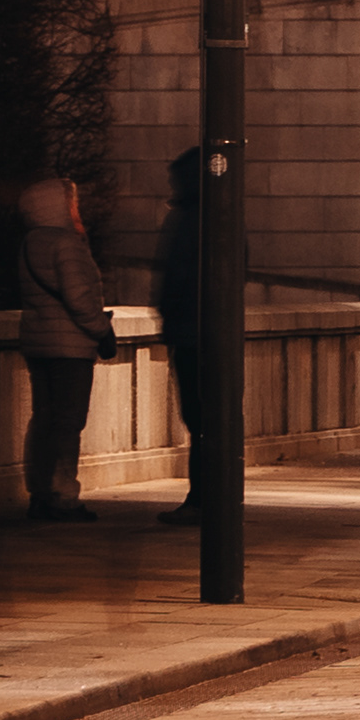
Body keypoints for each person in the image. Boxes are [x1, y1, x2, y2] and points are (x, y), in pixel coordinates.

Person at [14, 175, 116, 520]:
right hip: (70, 345)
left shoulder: (30, 242)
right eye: (71, 202)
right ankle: (63, 495)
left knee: (43, 419)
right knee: (68, 423)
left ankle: (40, 492)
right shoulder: (66, 244)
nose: (76, 208)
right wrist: (102, 329)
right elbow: (79, 298)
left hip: (38, 341)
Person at [152, 145, 205, 517]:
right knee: (206, 419)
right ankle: (207, 497)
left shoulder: (189, 220)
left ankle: (201, 499)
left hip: (191, 333)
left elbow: (176, 278)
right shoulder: (216, 216)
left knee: (199, 419)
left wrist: (169, 315)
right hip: (201, 331)